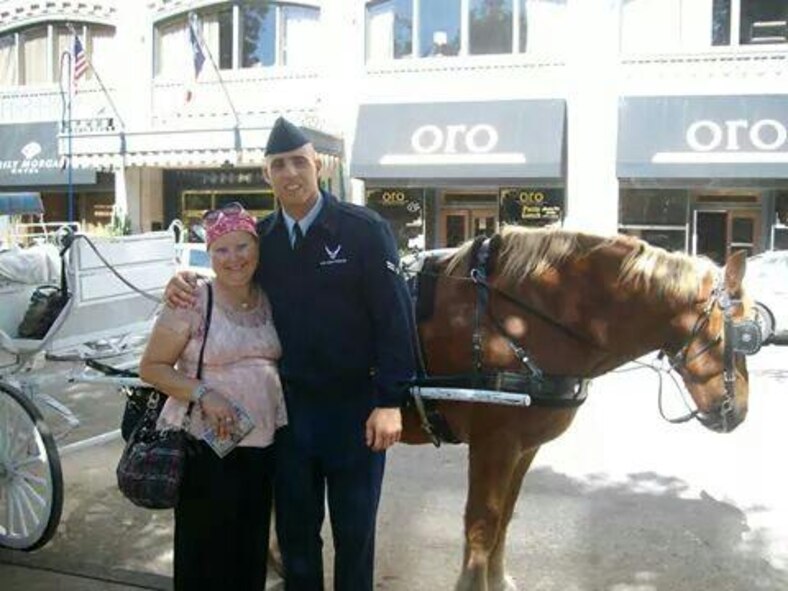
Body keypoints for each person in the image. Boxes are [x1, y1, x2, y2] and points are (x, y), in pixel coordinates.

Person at [166, 117, 415, 591]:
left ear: (317, 165)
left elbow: (395, 318)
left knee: (354, 534)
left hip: (355, 412)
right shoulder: (263, 242)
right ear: (267, 175)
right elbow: (229, 280)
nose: (290, 173)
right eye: (278, 165)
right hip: (290, 416)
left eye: (299, 161)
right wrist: (181, 284)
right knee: (297, 538)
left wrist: (389, 400)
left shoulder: (364, 230)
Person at [141, 204, 287, 590]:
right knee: (204, 552)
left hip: (261, 446)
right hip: (205, 448)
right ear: (209, 253)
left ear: (256, 248)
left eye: (241, 247)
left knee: (249, 550)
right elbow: (153, 367)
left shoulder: (270, 298)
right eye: (221, 249)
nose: (233, 258)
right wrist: (205, 393)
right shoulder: (192, 299)